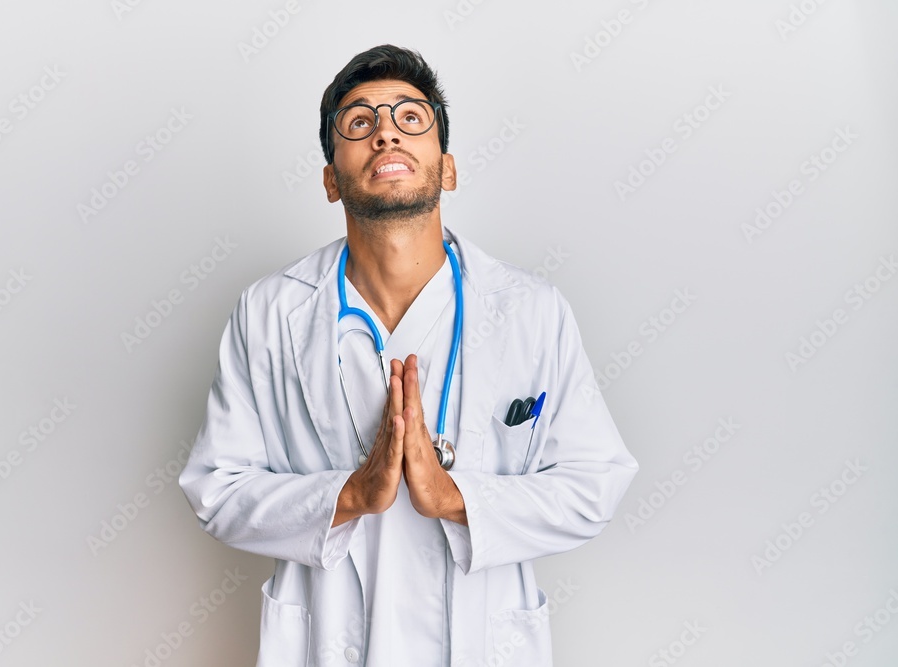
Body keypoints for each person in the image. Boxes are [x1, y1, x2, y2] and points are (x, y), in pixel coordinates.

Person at [178, 44, 638, 667]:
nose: (386, 131)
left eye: (410, 118)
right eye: (359, 122)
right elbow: (216, 489)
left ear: (446, 167)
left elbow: (594, 485)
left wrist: (453, 498)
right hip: (328, 641)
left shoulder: (531, 310)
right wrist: (350, 494)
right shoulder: (268, 313)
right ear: (330, 178)